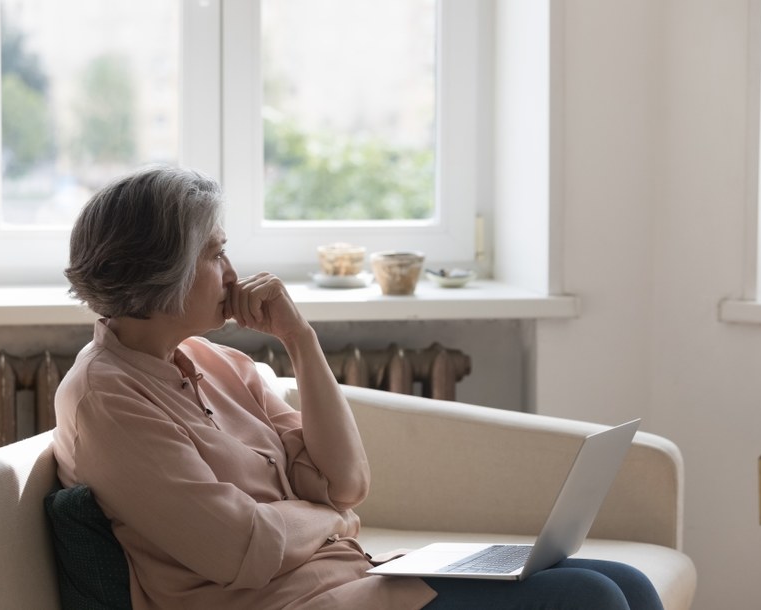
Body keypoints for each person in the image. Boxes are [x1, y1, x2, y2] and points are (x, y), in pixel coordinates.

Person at [53, 165, 663, 609]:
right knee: (587, 598)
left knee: (627, 585)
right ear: (164, 273)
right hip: (285, 603)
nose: (233, 274)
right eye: (214, 255)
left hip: (353, 580)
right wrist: (332, 521)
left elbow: (345, 483)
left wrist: (300, 340)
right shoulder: (106, 401)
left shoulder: (216, 364)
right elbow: (240, 550)